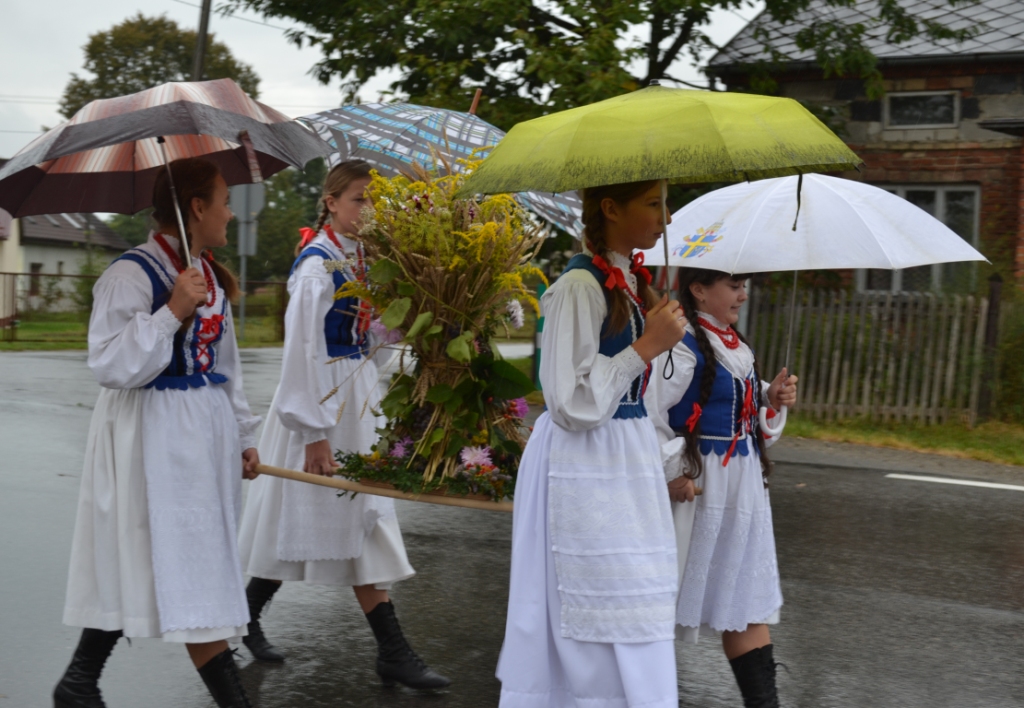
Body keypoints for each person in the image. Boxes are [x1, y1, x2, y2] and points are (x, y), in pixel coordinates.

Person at [55, 157, 262, 708]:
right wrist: (172, 310)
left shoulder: (210, 274)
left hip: (202, 431)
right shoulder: (130, 274)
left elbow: (227, 364)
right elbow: (110, 365)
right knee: (188, 562)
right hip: (152, 432)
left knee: (158, 552)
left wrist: (244, 433)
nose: (229, 215)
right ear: (196, 207)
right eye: (222, 202)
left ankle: (78, 682)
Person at [237, 160, 449, 689]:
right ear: (331, 202)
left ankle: (245, 616)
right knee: (357, 517)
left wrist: (416, 312)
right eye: (359, 199)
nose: (369, 211)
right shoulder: (316, 267)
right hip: (320, 403)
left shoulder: (358, 259)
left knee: (309, 517)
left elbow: (369, 337)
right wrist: (314, 434)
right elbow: (302, 354)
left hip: (352, 394)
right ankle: (393, 651)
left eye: (376, 201)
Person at [496, 181, 687, 708]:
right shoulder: (580, 287)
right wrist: (645, 347)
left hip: (623, 459)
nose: (664, 218)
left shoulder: (628, 283)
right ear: (610, 208)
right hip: (582, 460)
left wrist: (665, 458)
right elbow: (568, 400)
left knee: (636, 595)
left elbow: (639, 398)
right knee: (593, 598)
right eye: (653, 203)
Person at [648, 268, 798, 708]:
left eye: (743, 286)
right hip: (699, 486)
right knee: (663, 597)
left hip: (743, 484)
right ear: (698, 289)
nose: (743, 296)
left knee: (744, 598)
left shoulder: (736, 345)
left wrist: (770, 399)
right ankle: (633, 694)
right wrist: (673, 469)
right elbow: (650, 413)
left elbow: (747, 421)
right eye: (733, 286)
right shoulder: (680, 344)